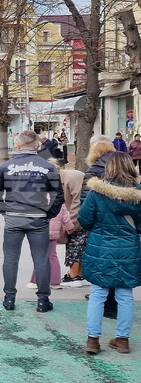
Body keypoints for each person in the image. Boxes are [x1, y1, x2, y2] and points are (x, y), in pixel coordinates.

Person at [0, 130, 64, 312]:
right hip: (38, 217)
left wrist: (4, 211)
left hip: (14, 217)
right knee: (41, 259)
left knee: (10, 259)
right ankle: (43, 300)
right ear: (37, 145)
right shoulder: (48, 167)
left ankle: (9, 298)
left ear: (18, 145)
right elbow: (58, 195)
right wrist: (49, 213)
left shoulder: (6, 166)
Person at [77, 152, 141, 355]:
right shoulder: (138, 193)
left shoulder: (97, 193)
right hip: (129, 249)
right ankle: (122, 340)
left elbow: (84, 220)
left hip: (100, 248)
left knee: (98, 294)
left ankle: (92, 340)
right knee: (125, 295)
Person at [81, 136, 120, 317]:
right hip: (125, 228)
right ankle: (114, 304)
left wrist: (87, 224)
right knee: (119, 267)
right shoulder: (124, 169)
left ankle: (104, 304)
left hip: (100, 227)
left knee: (100, 267)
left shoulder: (93, 171)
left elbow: (86, 204)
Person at [27, 203, 74, 292]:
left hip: (39, 231)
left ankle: (36, 281)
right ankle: (55, 282)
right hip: (53, 233)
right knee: (52, 256)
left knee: (40, 257)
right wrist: (70, 227)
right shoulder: (59, 200)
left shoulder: (37, 197)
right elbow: (65, 217)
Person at [58, 158, 87, 288]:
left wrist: (72, 223)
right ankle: (80, 274)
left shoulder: (72, 177)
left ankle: (74, 275)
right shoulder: (62, 178)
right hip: (79, 215)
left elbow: (77, 201)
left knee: (75, 245)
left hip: (80, 216)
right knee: (80, 245)